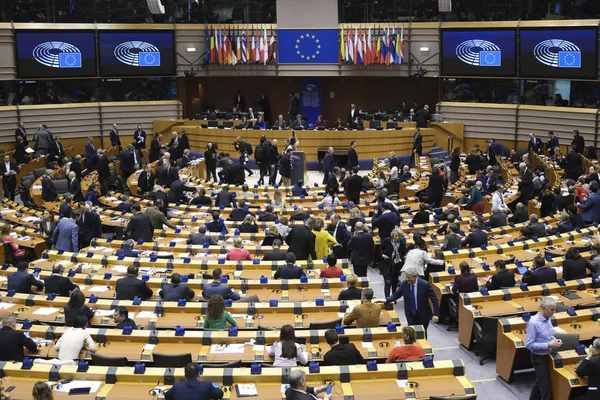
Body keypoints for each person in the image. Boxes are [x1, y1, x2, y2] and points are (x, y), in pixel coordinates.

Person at [526, 297, 562, 400]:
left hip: (548, 355)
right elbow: (529, 345)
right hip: (538, 358)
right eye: (552, 309)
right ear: (543, 308)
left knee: (540, 382)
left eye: (554, 309)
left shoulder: (548, 318)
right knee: (545, 387)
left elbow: (549, 336)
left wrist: (554, 340)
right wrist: (548, 345)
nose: (554, 312)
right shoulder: (533, 323)